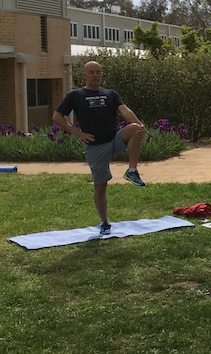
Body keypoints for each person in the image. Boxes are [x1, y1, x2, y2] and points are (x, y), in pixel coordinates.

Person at [53, 60, 147, 235]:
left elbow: (124, 110)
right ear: (85, 75)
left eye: (98, 72)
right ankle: (104, 222)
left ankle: (132, 171)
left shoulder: (111, 94)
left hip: (114, 138)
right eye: (92, 72)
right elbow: (57, 116)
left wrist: (138, 123)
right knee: (101, 186)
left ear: (101, 74)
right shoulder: (75, 95)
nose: (95, 75)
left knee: (135, 129)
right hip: (95, 145)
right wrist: (77, 132)